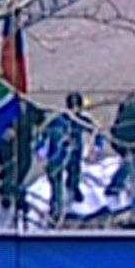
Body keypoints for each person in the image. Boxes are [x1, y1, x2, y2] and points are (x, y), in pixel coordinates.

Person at [39, 92, 94, 227]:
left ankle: (73, 187)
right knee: (56, 183)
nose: (76, 110)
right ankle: (56, 210)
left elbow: (95, 131)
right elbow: (42, 133)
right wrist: (41, 148)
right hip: (56, 156)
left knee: (74, 173)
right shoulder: (57, 120)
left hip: (74, 154)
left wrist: (95, 146)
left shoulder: (83, 120)